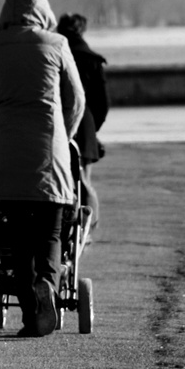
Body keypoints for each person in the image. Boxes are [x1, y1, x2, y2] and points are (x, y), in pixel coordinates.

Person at [0, 0, 85, 337]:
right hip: (49, 154)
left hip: (7, 155)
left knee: (19, 240)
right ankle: (49, 288)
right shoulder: (57, 44)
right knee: (51, 234)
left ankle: (30, 313)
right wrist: (64, 135)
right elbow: (78, 99)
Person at [56, 12, 109, 231]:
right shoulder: (92, 60)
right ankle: (88, 227)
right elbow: (102, 103)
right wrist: (91, 126)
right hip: (85, 124)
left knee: (60, 182)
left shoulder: (57, 53)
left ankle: (66, 228)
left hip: (59, 122)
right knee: (85, 182)